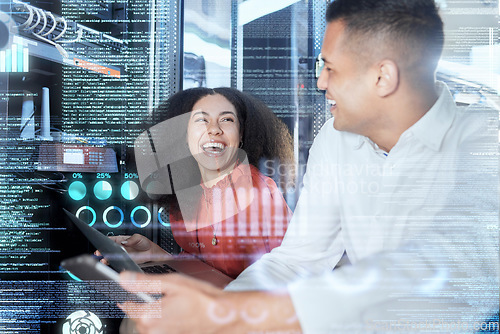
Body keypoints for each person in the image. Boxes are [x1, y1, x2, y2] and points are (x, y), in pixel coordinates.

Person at [117, 1, 499, 333]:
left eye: (331, 69)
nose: (319, 83)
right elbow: (299, 259)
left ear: (383, 76)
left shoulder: (485, 140)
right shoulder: (337, 139)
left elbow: (445, 274)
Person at [101, 87, 294, 279]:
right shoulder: (188, 192)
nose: (214, 130)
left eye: (226, 119)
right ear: (185, 136)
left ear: (241, 134)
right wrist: (155, 255)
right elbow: (204, 270)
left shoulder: (259, 192)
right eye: (202, 120)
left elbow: (275, 285)